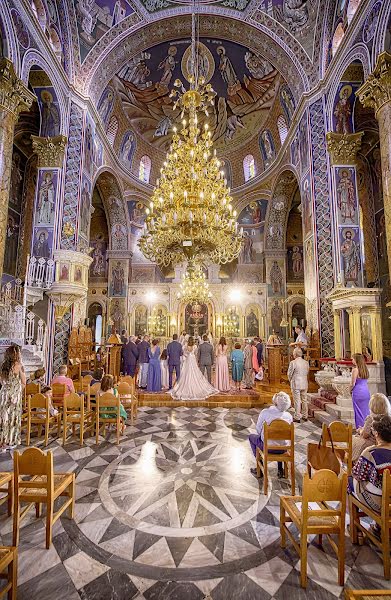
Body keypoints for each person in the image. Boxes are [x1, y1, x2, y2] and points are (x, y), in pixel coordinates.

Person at [348, 415, 391, 524]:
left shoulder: (371, 453)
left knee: (348, 481)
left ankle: (355, 527)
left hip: (380, 503)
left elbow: (357, 475)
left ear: (376, 433)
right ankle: (377, 526)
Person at [249, 391, 293, 479]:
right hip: (283, 449)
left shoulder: (265, 412)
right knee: (279, 439)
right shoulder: (289, 416)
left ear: (275, 402)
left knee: (251, 437)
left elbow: (258, 430)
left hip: (267, 447)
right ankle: (280, 469)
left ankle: (260, 468)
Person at [0, 344, 26, 451]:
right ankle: (11, 441)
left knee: (4, 418)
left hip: (4, 395)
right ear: (16, 354)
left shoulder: (3, 366)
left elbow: (1, 381)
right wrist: (19, 390)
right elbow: (24, 382)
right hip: (14, 396)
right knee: (13, 418)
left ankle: (2, 442)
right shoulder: (19, 365)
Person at [352, 393, 391, 462]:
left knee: (353, 440)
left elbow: (365, 434)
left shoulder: (371, 418)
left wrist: (360, 430)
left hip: (371, 442)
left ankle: (355, 461)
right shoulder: (388, 418)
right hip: (385, 442)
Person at [287, 347, 310, 422]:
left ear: (295, 354)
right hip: (304, 383)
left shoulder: (293, 362)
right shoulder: (306, 362)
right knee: (304, 399)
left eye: (293, 353)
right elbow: (307, 372)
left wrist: (291, 380)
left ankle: (297, 416)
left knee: (297, 400)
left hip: (296, 383)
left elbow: (289, 374)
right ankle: (305, 415)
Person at [351, 353, 370, 428]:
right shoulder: (365, 369)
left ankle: (360, 429)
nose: (352, 360)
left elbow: (352, 384)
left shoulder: (355, 370)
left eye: (353, 359)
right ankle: (367, 429)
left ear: (356, 360)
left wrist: (349, 390)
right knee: (366, 411)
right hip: (365, 391)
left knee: (358, 412)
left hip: (358, 392)